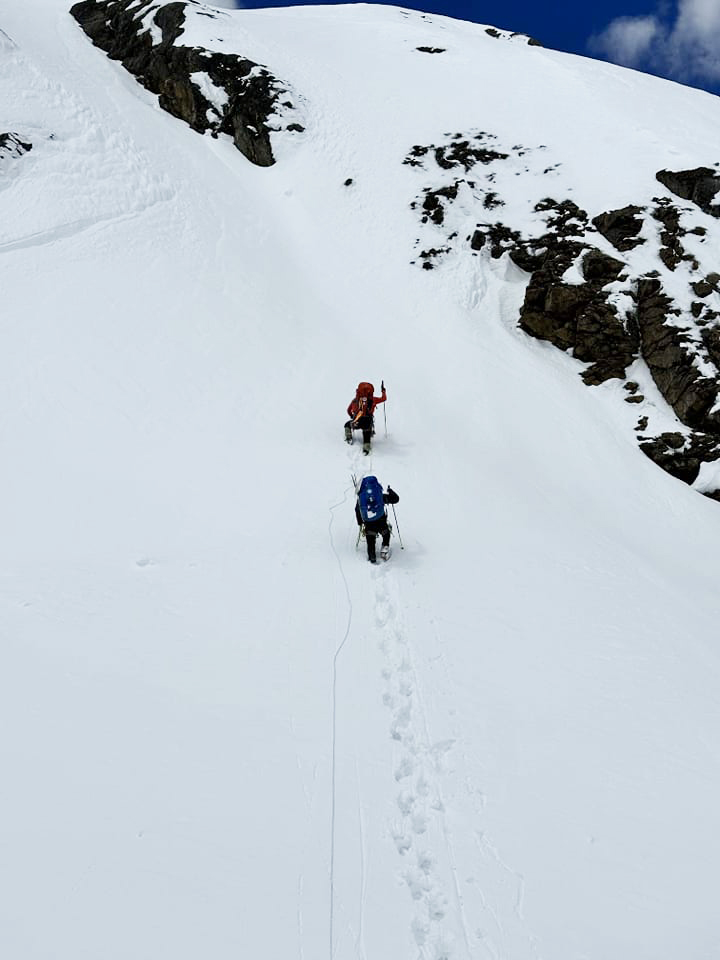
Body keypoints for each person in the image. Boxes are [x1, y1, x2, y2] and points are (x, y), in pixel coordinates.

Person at [355, 475, 400, 563]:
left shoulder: (361, 500)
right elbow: (396, 499)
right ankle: (384, 550)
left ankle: (372, 557)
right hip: (381, 522)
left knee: (370, 542)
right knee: (386, 534)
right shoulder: (380, 496)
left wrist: (360, 523)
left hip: (369, 525)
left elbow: (357, 510)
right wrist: (390, 491)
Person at [344, 381, 387, 454]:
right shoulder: (373, 400)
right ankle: (366, 447)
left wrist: (352, 417)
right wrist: (383, 391)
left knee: (347, 425)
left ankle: (349, 437)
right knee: (367, 431)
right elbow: (384, 398)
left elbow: (348, 410)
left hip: (357, 422)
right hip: (368, 422)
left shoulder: (355, 401)